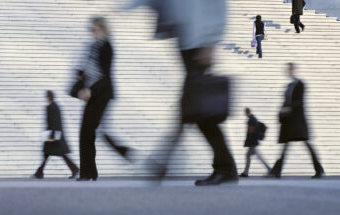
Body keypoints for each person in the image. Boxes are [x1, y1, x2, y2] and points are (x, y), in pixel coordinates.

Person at [128, 0, 238, 186]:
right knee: (199, 112)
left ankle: (163, 162)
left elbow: (217, 4)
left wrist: (211, 40)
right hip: (187, 40)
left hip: (199, 43)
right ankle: (224, 168)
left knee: (193, 109)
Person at [75, 16, 129, 181]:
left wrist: (90, 90)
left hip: (102, 94)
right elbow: (88, 68)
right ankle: (88, 172)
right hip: (92, 93)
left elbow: (105, 75)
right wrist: (79, 75)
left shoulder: (107, 47)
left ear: (103, 29)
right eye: (89, 29)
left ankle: (90, 171)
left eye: (94, 29)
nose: (91, 32)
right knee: (86, 133)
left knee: (90, 131)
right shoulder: (92, 47)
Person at [269, 63, 325, 178]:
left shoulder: (300, 84)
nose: (288, 71)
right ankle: (276, 170)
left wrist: (288, 108)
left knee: (306, 144)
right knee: (286, 145)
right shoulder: (289, 86)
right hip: (289, 121)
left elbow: (300, 101)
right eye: (287, 69)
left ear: (294, 70)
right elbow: (286, 101)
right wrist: (281, 112)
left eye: (290, 69)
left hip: (298, 120)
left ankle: (319, 169)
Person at [33, 90, 79, 179]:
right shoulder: (56, 106)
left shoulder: (50, 107)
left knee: (52, 153)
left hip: (52, 135)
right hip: (55, 134)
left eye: (46, 96)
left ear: (48, 97)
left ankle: (74, 169)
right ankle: (40, 172)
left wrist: (52, 136)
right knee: (50, 153)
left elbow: (53, 122)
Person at [239, 108, 271, 177]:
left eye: (245, 113)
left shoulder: (251, 120)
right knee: (254, 156)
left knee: (251, 156)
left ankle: (269, 169)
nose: (244, 114)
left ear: (247, 113)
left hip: (253, 142)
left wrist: (250, 142)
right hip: (254, 142)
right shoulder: (254, 119)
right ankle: (246, 172)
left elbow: (251, 132)